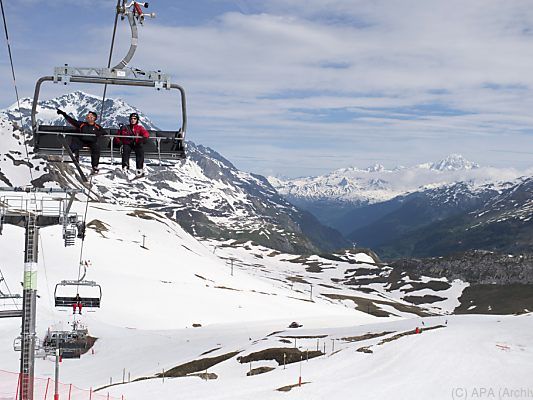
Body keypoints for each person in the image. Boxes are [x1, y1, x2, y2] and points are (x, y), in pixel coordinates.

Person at [56, 109, 105, 174]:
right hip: (82, 140)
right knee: (76, 140)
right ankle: (75, 156)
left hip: (91, 142)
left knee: (96, 149)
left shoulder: (97, 127)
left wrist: (99, 133)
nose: (87, 117)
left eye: (90, 116)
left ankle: (94, 166)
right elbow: (72, 121)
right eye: (87, 116)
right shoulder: (82, 124)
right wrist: (64, 114)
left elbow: (104, 132)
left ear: (94, 118)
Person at [116, 112, 150, 178]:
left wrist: (144, 138)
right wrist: (120, 143)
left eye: (134, 119)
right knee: (125, 150)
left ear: (137, 120)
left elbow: (145, 133)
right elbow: (117, 136)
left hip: (136, 144)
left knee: (140, 151)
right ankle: (125, 167)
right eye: (131, 118)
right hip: (127, 144)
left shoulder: (139, 128)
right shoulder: (124, 128)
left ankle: (139, 169)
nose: (133, 120)